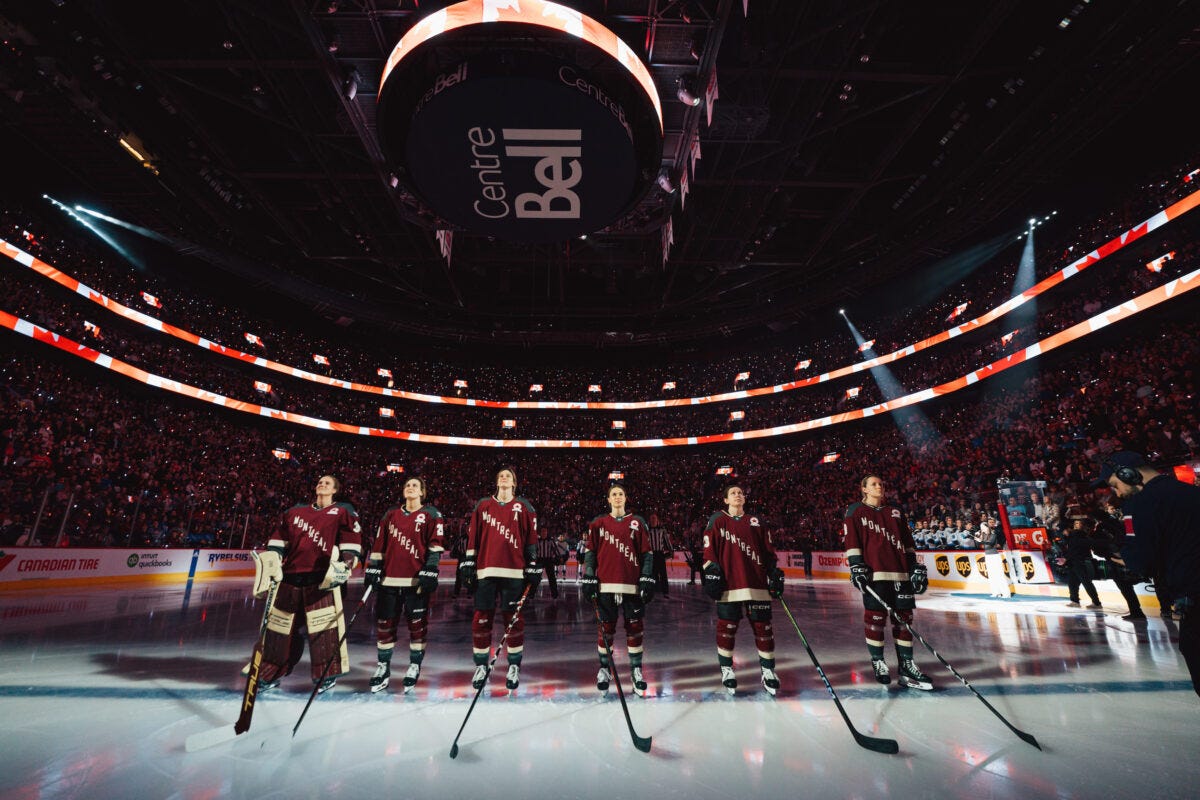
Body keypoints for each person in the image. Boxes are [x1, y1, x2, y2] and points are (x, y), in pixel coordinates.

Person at [1097, 452, 1200, 696]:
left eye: (1115, 485)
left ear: (1129, 474)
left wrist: (1123, 557)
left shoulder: (1140, 503)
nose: (1118, 493)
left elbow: (1141, 561)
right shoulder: (1192, 493)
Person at [256, 475, 363, 694]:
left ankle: (326, 673)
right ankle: (274, 669)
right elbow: (278, 541)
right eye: (320, 481)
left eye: (327, 482)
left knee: (324, 629)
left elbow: (351, 540)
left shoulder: (343, 511)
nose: (322, 484)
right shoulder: (295, 512)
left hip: (323, 579)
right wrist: (272, 562)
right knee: (283, 629)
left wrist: (347, 562)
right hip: (291, 577)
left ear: (335, 490)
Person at [843, 474, 932, 690]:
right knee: (876, 620)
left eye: (881, 484)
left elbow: (907, 543)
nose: (879, 487)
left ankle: (906, 667)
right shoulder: (855, 511)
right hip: (875, 575)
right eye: (873, 484)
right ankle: (878, 661)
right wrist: (856, 566)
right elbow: (852, 541)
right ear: (864, 489)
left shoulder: (895, 512)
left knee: (904, 621)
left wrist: (914, 567)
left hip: (901, 575)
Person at [461, 466, 540, 692]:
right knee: (481, 619)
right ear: (496, 481)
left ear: (514, 483)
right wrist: (469, 561)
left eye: (508, 476)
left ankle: (513, 666)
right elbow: (473, 536)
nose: (504, 478)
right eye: (501, 475)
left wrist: (532, 564)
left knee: (513, 620)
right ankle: (480, 666)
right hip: (486, 570)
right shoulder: (483, 505)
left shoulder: (524, 507)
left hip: (514, 571)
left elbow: (531, 540)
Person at [701, 483, 785, 696]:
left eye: (740, 492)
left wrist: (773, 572)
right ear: (725, 500)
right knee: (727, 628)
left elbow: (768, 552)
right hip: (729, 586)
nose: (737, 495)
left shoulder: (756, 522)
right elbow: (709, 552)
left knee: (763, 629)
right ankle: (726, 669)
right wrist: (711, 572)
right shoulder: (717, 520)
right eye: (732, 493)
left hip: (756, 584)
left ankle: (768, 671)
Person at [364, 476, 444, 693]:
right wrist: (373, 566)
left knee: (417, 626)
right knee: (385, 625)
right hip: (389, 579)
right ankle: (383, 666)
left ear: (422, 493)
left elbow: (435, 545)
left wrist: (431, 568)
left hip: (415, 581)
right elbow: (379, 544)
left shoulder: (432, 515)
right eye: (407, 485)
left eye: (415, 486)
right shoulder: (390, 514)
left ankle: (414, 665)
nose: (410, 488)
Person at [581, 482, 655, 696]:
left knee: (635, 630)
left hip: (631, 584)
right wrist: (588, 575)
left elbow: (646, 554)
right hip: (605, 585)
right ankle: (604, 669)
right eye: (613, 494)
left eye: (621, 493)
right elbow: (590, 552)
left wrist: (647, 577)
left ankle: (636, 671)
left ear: (626, 497)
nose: (617, 497)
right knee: (605, 630)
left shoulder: (637, 522)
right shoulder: (599, 523)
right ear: (608, 499)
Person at [1090, 500, 1144, 621]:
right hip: (1126, 555)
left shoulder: (1101, 528)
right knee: (1127, 587)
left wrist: (1109, 555)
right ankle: (1136, 610)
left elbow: (1099, 547)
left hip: (1115, 559)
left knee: (1124, 587)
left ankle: (1136, 611)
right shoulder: (1116, 522)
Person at [1059, 518, 1103, 609]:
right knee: (1072, 582)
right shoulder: (1072, 536)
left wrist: (1065, 558)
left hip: (1079, 562)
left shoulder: (1076, 536)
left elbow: (1074, 550)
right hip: (1073, 562)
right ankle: (1075, 601)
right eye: (1075, 523)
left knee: (1086, 582)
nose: (1063, 533)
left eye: (1063, 531)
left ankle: (1096, 602)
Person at [974, 516, 1012, 598]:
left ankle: (1006, 593)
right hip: (988, 556)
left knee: (999, 574)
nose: (983, 529)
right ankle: (996, 592)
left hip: (995, 556)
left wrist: (981, 540)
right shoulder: (983, 535)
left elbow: (990, 544)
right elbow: (978, 545)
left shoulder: (993, 534)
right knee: (991, 575)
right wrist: (976, 538)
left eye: (984, 528)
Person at [647, 513, 673, 598]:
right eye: (652, 519)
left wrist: (671, 550)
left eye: (654, 519)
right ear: (650, 521)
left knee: (663, 574)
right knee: (652, 574)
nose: (653, 520)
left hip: (660, 554)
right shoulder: (647, 530)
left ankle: (665, 592)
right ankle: (652, 591)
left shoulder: (662, 530)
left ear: (657, 520)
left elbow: (667, 541)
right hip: (651, 554)